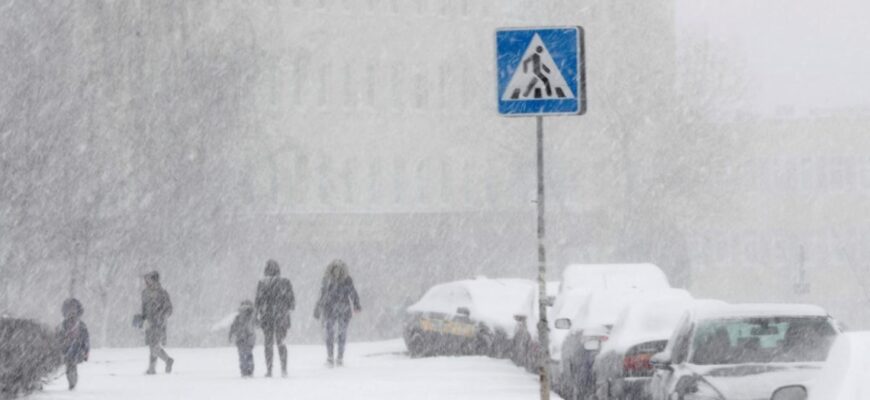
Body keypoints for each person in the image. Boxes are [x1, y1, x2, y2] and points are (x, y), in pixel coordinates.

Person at [314, 259, 361, 367]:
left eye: (339, 270)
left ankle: (339, 357)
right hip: (331, 309)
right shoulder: (327, 280)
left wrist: (356, 304)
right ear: (332, 270)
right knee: (330, 334)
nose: (337, 272)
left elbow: (352, 292)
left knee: (341, 334)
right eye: (335, 269)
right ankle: (331, 357)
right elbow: (321, 295)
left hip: (341, 310)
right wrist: (318, 308)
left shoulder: (346, 280)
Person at [255, 259, 295, 377]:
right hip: (281, 316)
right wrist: (285, 307)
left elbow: (258, 301)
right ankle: (283, 369)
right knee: (281, 342)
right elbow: (292, 302)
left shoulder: (262, 283)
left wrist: (257, 315)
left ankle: (269, 369)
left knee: (268, 343)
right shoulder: (285, 282)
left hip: (267, 316)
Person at [137, 271, 174, 374]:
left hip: (159, 323)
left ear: (155, 280)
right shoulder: (145, 293)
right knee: (152, 345)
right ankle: (153, 368)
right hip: (149, 323)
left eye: (148, 279)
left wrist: (162, 316)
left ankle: (165, 361)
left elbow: (169, 309)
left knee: (154, 345)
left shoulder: (162, 293)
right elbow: (144, 309)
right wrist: (142, 319)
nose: (146, 282)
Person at [56, 298, 90, 390]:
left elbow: (86, 339)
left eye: (73, 309)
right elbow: (57, 338)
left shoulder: (81, 325)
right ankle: (72, 382)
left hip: (76, 349)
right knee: (69, 366)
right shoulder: (62, 325)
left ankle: (72, 383)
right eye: (69, 309)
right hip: (66, 349)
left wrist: (86, 352)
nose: (71, 312)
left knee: (72, 366)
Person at [229, 300, 258, 377]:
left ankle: (244, 370)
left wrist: (231, 335)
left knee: (242, 355)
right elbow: (258, 324)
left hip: (240, 338)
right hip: (249, 338)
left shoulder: (238, 318)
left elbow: (233, 327)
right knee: (248, 354)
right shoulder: (252, 317)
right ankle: (249, 370)